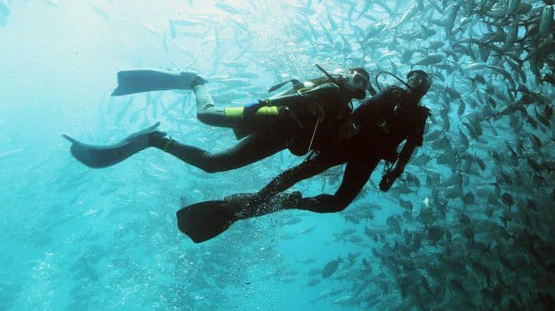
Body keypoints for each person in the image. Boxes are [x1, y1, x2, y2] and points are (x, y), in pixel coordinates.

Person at [176, 69, 432, 243]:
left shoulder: (420, 115)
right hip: (347, 144)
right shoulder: (391, 94)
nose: (419, 82)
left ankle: (289, 201)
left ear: (426, 89)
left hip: (369, 158)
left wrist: (394, 174)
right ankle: (256, 202)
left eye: (424, 80)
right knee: (298, 172)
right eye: (415, 76)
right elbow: (360, 114)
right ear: (407, 78)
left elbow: (410, 147)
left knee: (338, 203)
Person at [64, 66, 372, 172]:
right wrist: (259, 103)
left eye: (364, 83)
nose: (359, 84)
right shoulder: (331, 87)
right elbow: (299, 99)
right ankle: (197, 81)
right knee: (206, 115)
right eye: (357, 77)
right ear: (347, 76)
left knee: (213, 164)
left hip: (280, 139)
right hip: (271, 114)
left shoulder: (347, 113)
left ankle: (154, 140)